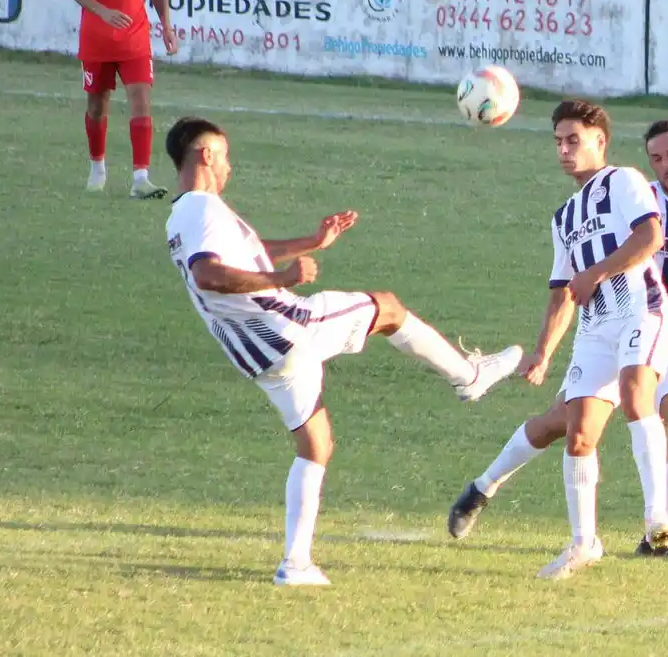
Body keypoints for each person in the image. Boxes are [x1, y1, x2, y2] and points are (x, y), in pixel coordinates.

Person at [163, 116, 522, 586]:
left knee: (316, 445)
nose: (230, 165)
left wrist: (313, 242)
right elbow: (208, 274)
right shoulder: (202, 208)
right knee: (388, 308)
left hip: (259, 357)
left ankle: (295, 564)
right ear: (206, 154)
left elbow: (242, 254)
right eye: (225, 155)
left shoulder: (184, 215)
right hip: (288, 328)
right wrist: (283, 279)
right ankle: (468, 377)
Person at [447, 120, 668, 557]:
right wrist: (546, 347)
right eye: (657, 158)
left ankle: (658, 538)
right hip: (616, 327)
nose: (667, 166)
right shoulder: (633, 197)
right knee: (561, 425)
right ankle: (483, 486)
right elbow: (580, 269)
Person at [487, 99, 668, 580]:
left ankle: (659, 518)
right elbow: (561, 293)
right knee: (579, 434)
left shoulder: (624, 181)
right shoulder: (564, 216)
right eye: (559, 143)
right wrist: (543, 352)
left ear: (600, 142)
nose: (565, 151)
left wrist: (597, 271)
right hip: (595, 327)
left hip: (641, 308)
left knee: (636, 394)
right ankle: (583, 543)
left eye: (574, 141)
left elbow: (650, 237)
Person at [69, 0, 179, 199]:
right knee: (97, 105)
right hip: (97, 40)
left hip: (135, 40)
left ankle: (141, 179)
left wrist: (167, 27)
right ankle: (97, 167)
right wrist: (103, 12)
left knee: (142, 101)